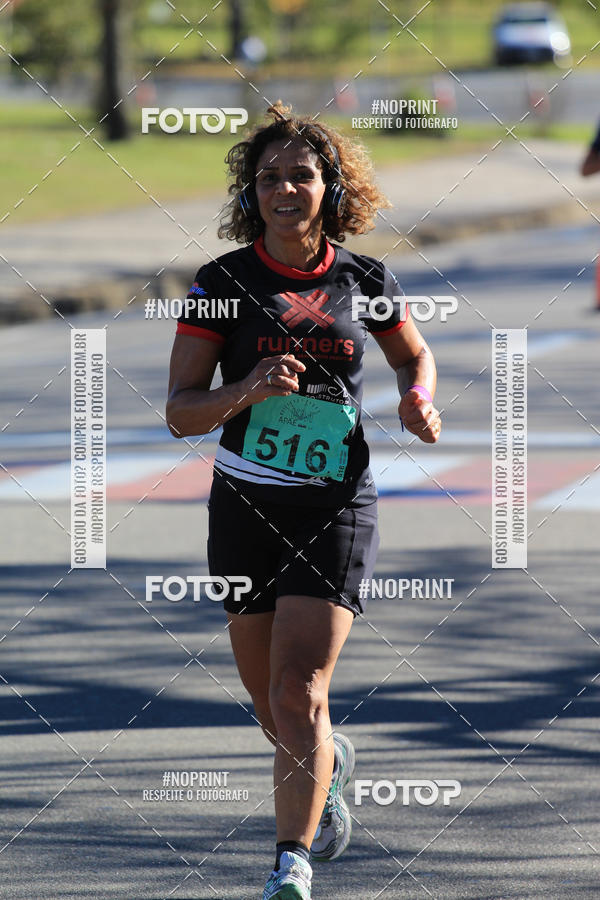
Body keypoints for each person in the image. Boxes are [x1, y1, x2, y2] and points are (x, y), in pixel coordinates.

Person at [166, 101, 441, 900]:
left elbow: (413, 357)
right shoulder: (222, 283)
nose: (286, 189)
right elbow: (181, 410)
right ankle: (330, 761)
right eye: (269, 179)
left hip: (335, 505)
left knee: (298, 692)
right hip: (246, 505)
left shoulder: (367, 279)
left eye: (302, 175)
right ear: (252, 194)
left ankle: (292, 860)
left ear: (331, 185)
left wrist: (418, 398)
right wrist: (245, 389)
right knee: (271, 705)